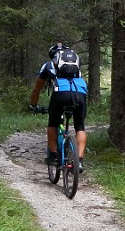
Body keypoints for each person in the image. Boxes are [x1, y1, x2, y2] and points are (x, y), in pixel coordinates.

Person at [29, 42, 88, 171]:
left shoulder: (49, 65)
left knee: (52, 124)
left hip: (60, 94)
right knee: (80, 127)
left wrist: (33, 105)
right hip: (80, 93)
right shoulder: (76, 66)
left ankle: (54, 156)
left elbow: (37, 89)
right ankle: (79, 161)